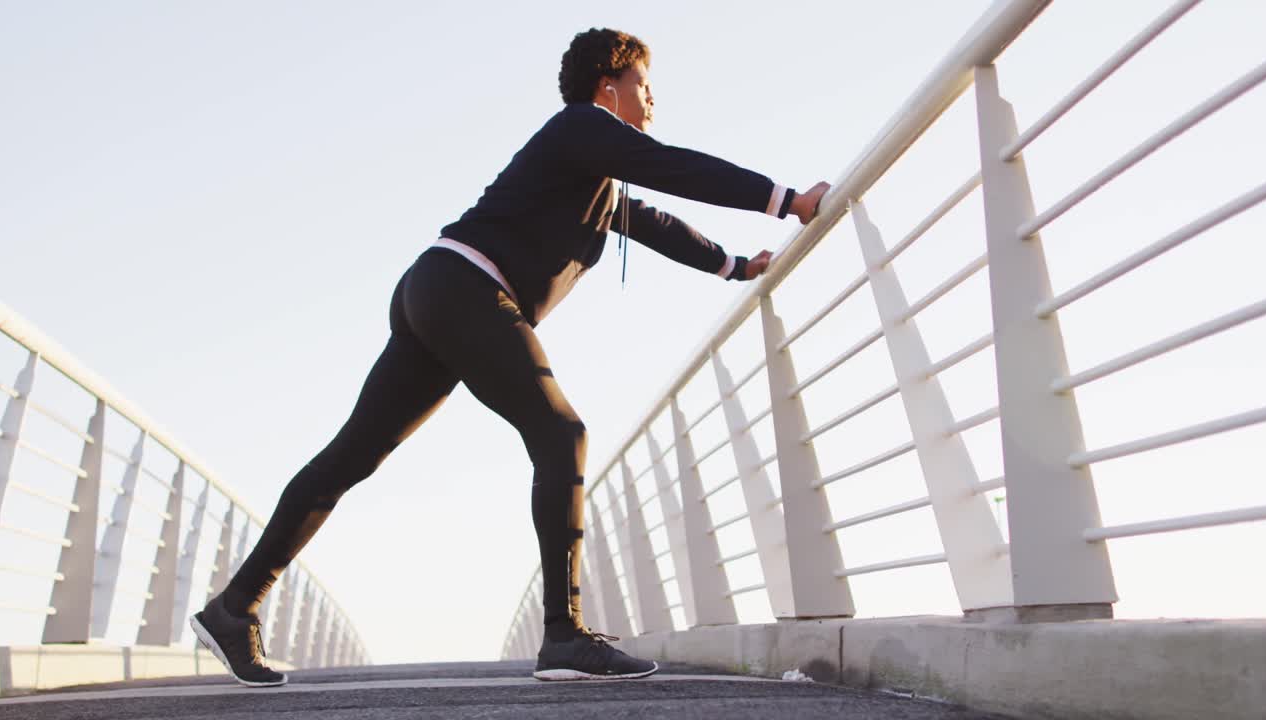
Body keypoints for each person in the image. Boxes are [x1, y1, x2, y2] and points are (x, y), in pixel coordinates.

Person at [190, 27, 830, 687]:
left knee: (351, 455)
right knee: (561, 432)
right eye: (643, 83)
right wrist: (785, 202)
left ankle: (234, 608)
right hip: (467, 287)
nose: (652, 98)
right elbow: (673, 165)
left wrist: (734, 266)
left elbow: (656, 223)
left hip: (437, 290)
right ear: (608, 87)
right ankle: (564, 635)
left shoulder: (593, 178)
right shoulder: (580, 125)